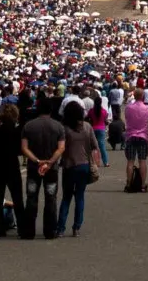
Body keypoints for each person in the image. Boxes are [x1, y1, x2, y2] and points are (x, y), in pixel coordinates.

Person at [20, 100, 66, 239]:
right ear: (50, 111)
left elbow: (24, 148)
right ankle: (50, 231)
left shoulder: (28, 126)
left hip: (34, 167)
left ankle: (28, 231)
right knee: (51, 198)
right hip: (51, 169)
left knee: (31, 198)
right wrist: (50, 162)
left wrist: (37, 161)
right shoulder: (58, 127)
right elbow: (61, 148)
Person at [57, 98, 99, 236]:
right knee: (80, 197)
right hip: (84, 165)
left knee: (66, 197)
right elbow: (94, 146)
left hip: (69, 165)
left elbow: (60, 148)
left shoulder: (64, 129)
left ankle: (61, 228)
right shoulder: (87, 127)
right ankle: (76, 227)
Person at [0, 103, 24, 235]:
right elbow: (20, 150)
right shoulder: (17, 131)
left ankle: (1, 228)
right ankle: (21, 227)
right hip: (12, 165)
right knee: (18, 198)